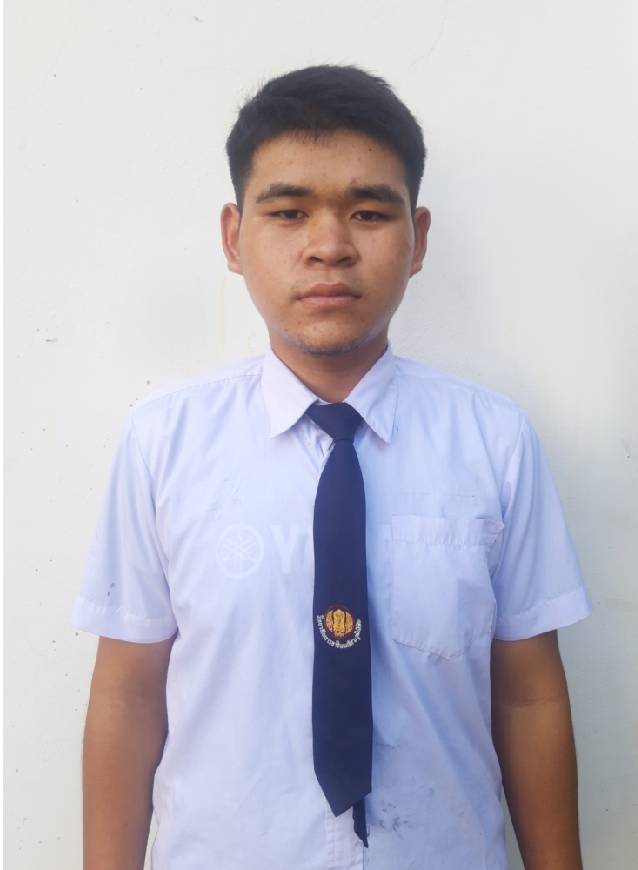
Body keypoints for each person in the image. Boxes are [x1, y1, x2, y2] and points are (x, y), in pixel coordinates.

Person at [71, 64, 592, 870]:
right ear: (233, 238)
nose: (329, 247)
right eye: (288, 212)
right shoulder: (163, 442)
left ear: (418, 240)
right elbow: (128, 695)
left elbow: (527, 695)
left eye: (368, 213)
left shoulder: (494, 442)